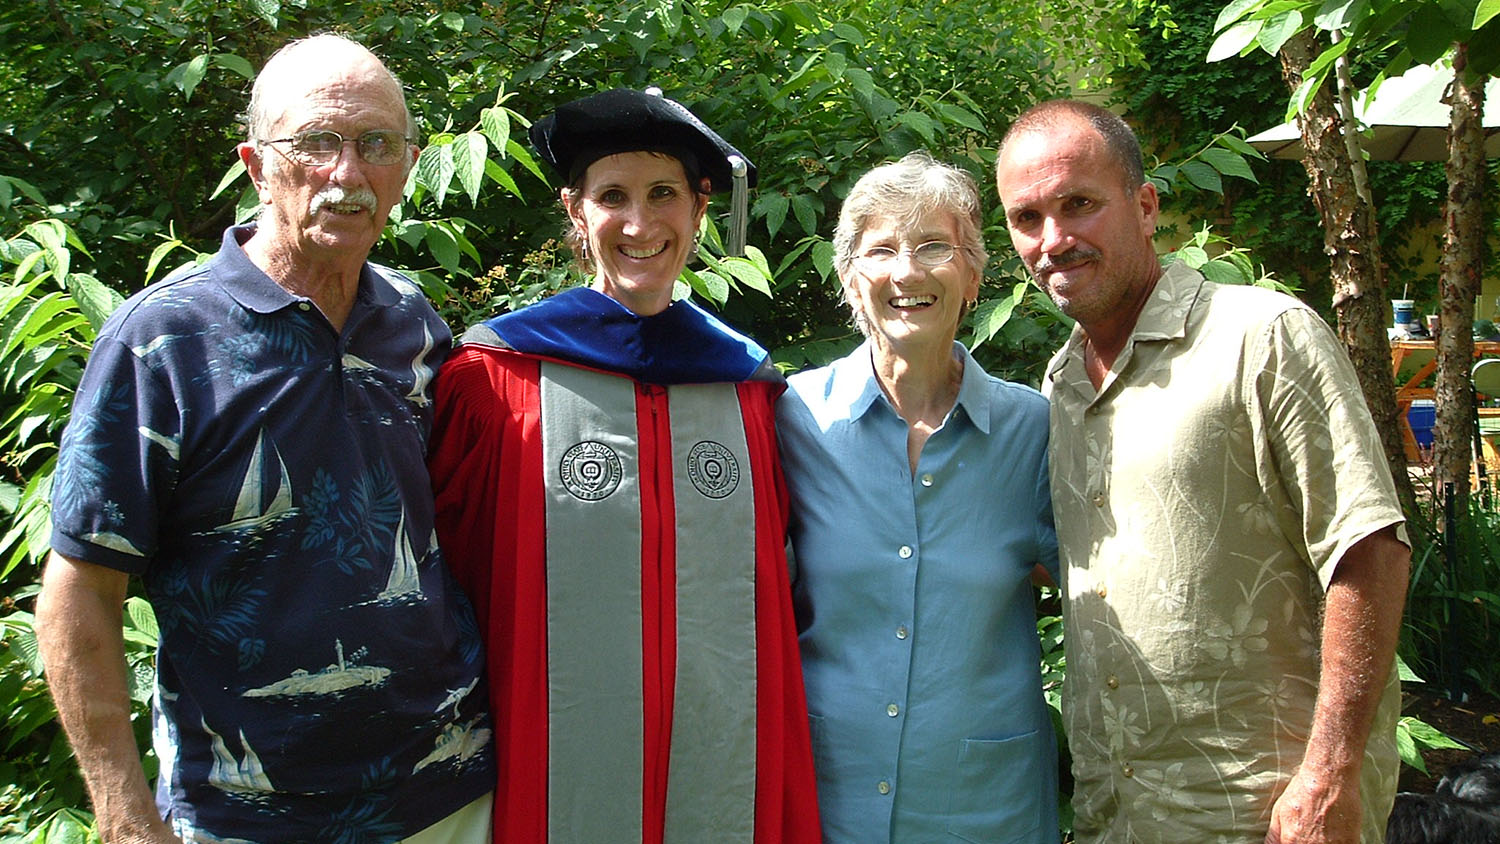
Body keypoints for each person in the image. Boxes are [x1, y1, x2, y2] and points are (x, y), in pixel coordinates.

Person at [36, 34, 494, 843]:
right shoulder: (162, 343)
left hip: (447, 797)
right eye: (317, 143)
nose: (348, 175)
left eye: (377, 146)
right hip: (245, 815)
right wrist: (122, 810)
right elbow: (81, 592)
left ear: (408, 165)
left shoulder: (413, 322)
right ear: (255, 164)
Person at [995, 99, 1411, 844]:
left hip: (1267, 812)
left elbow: (1369, 547)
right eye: (1027, 218)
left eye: (1079, 205)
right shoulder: (1061, 388)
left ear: (1146, 206)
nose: (1054, 239)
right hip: (1117, 812)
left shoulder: (1261, 336)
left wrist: (1329, 775)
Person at [427, 88, 821, 844]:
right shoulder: (496, 379)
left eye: (664, 194)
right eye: (613, 196)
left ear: (701, 210)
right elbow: (450, 584)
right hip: (543, 768)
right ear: (577, 213)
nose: (640, 223)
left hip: (725, 762)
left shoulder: (747, 390)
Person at [776, 151, 1061, 843]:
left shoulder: (1036, 431)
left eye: (935, 246)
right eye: (882, 250)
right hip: (826, 796)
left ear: (973, 275)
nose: (907, 271)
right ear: (850, 278)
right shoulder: (789, 419)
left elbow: (1109, 587)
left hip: (986, 807)